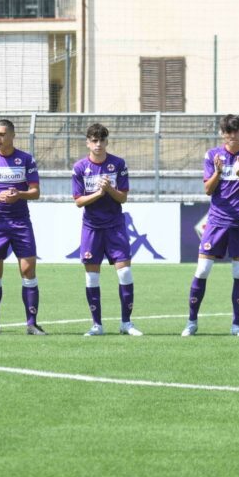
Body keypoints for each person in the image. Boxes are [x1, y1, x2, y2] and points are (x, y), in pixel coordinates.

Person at [184, 114, 239, 337]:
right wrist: (219, 172)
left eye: (235, 132)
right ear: (222, 134)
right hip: (217, 222)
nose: (231, 137)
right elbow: (208, 190)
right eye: (227, 133)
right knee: (202, 270)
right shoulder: (212, 155)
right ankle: (191, 322)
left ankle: (237, 325)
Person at [0, 119, 44, 336]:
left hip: (21, 222)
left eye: (2, 134)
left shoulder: (25, 159)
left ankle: (32, 323)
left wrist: (19, 195)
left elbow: (35, 191)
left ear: (12, 136)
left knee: (28, 269)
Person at [72, 122, 142, 337]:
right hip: (92, 228)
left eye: (102, 140)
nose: (98, 144)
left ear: (107, 142)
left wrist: (109, 188)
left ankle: (126, 323)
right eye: (94, 140)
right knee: (92, 278)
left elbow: (123, 197)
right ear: (88, 143)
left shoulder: (118, 164)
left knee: (125, 272)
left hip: (115, 227)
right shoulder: (80, 168)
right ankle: (97, 325)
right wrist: (99, 194)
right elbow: (78, 201)